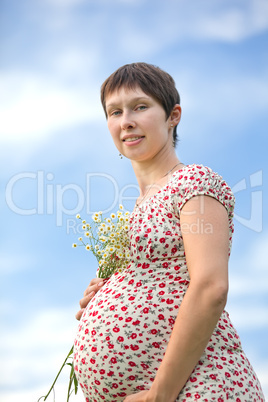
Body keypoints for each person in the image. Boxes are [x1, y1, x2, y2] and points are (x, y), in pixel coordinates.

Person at [73, 63, 264, 402]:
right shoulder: (134, 211)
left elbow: (210, 286)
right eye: (114, 112)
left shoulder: (192, 182)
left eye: (140, 107)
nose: (126, 121)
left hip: (200, 388)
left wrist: (159, 394)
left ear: (173, 115)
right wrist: (104, 293)